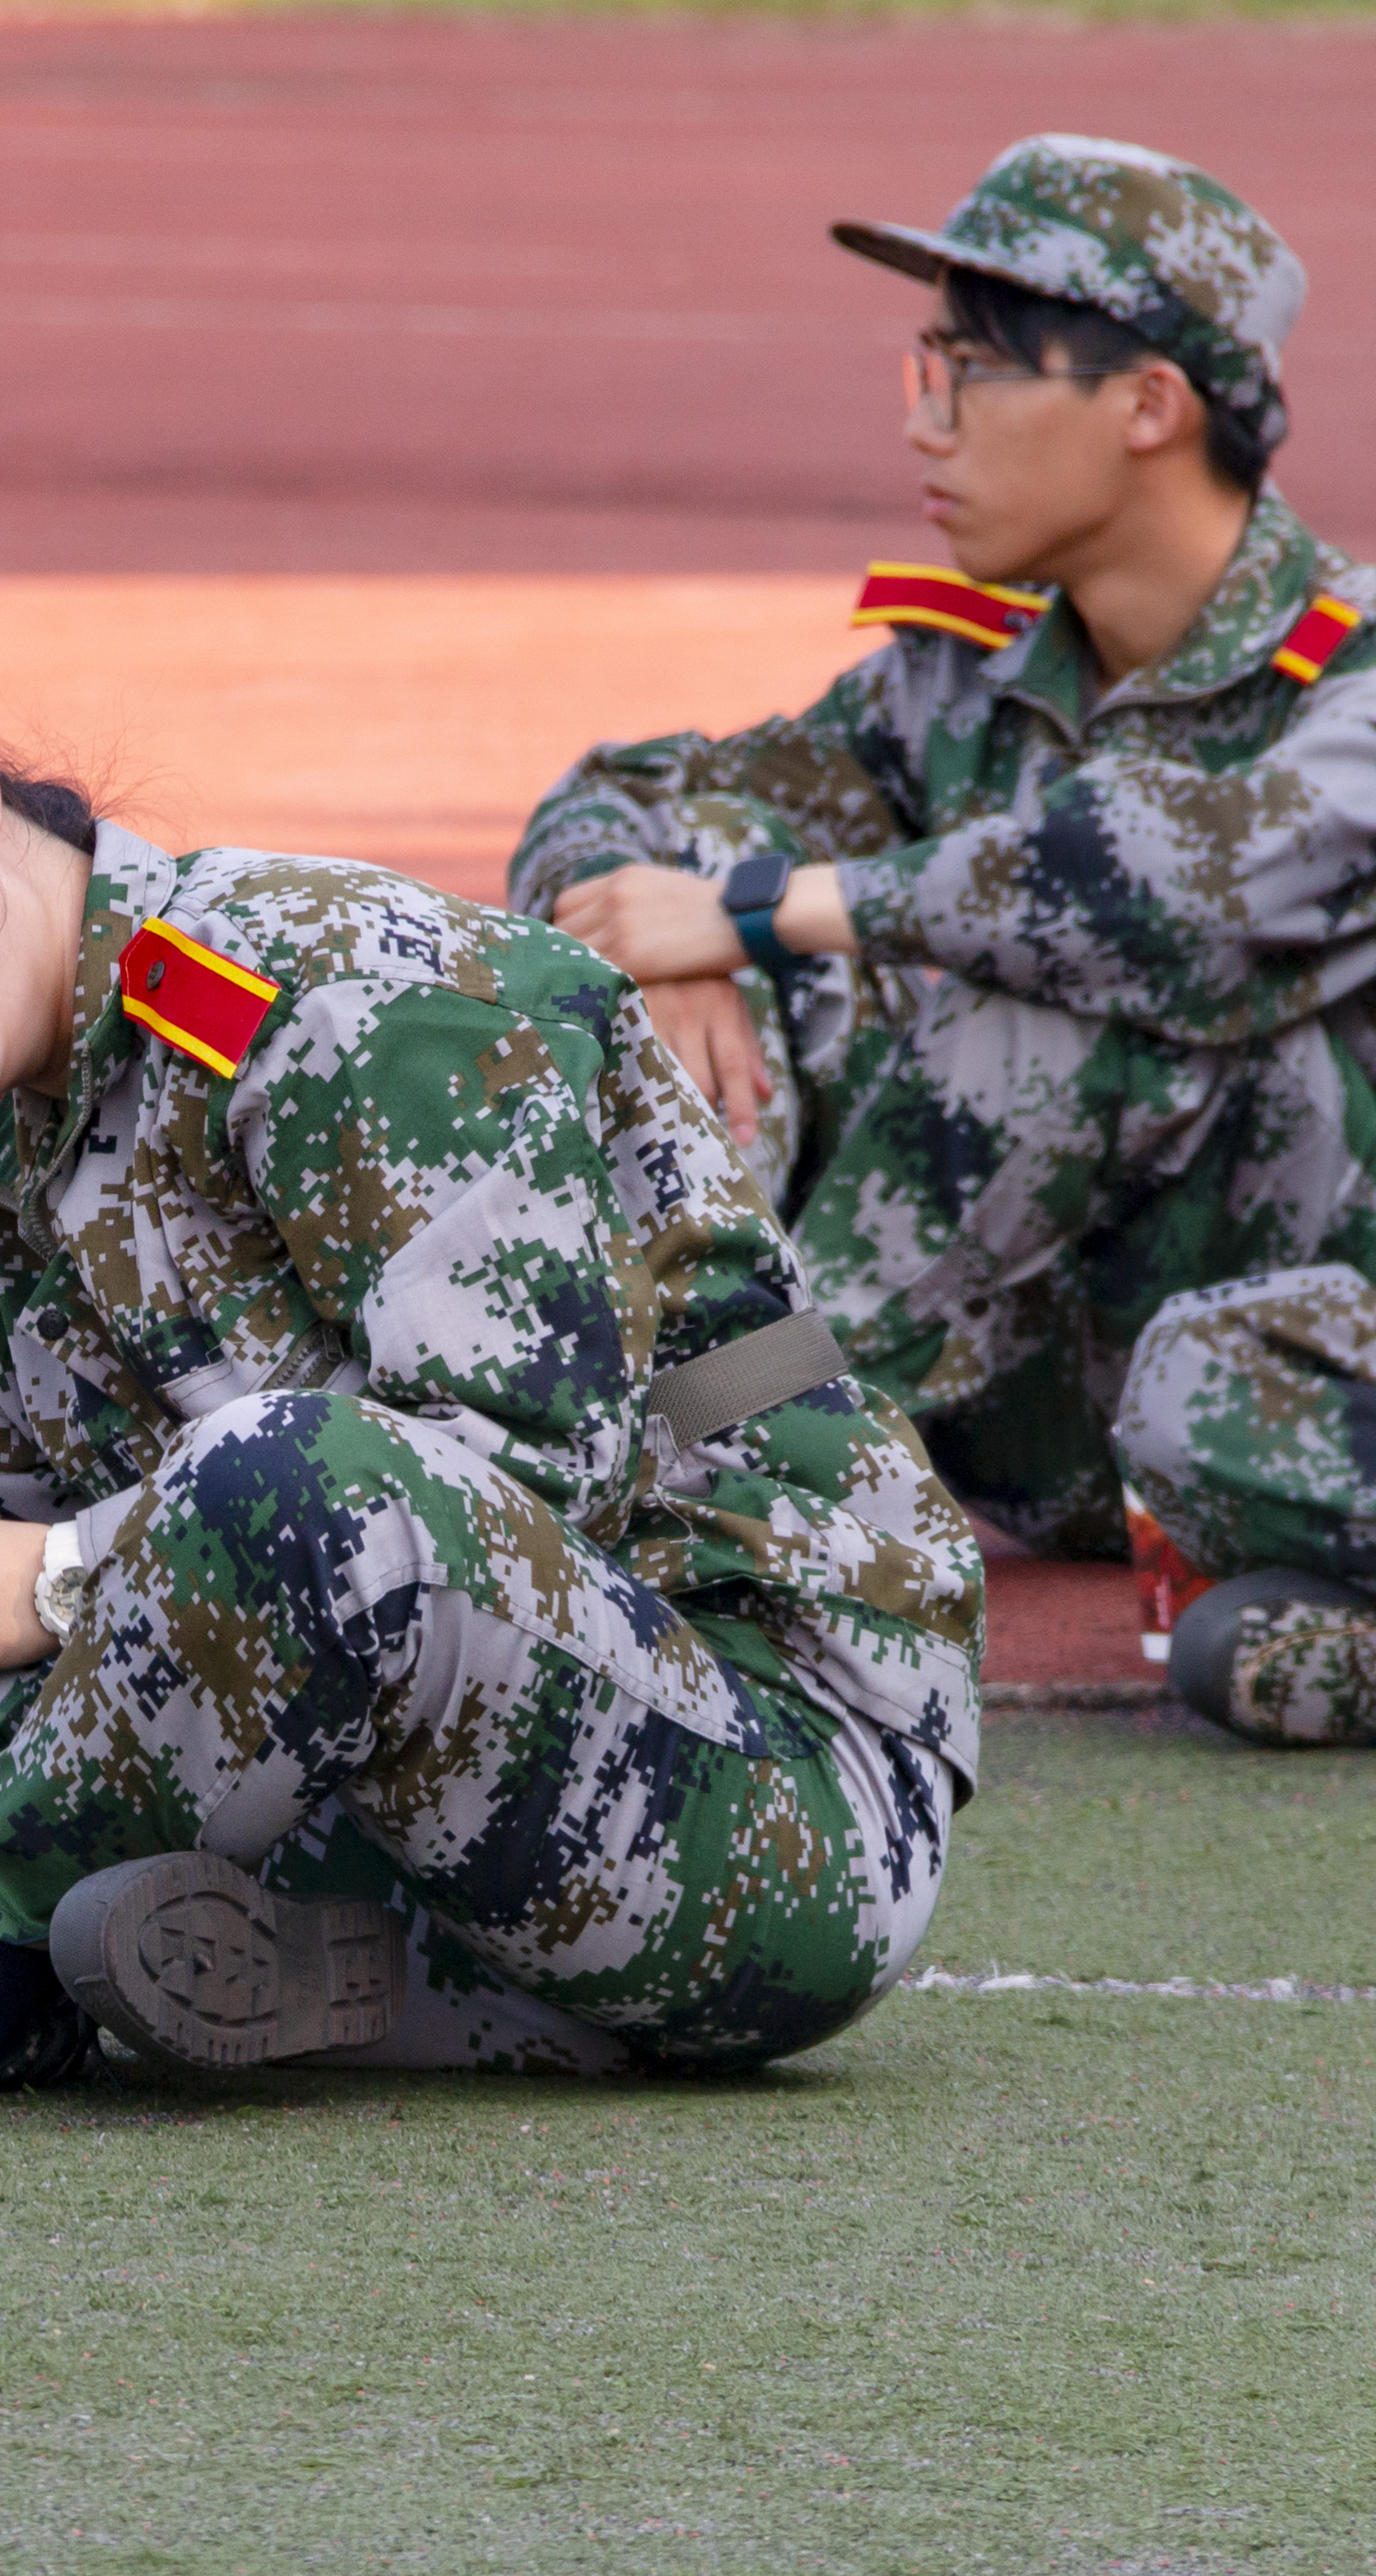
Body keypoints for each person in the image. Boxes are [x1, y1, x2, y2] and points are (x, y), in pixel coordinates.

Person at [0, 641, 982, 2090]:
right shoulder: (21, 1169)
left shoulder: (347, 1003)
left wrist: (65, 1574)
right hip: (422, 1783)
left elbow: (505, 1470)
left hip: (765, 1767)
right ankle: (352, 1976)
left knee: (289, 1478)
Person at [503, 136, 1376, 1743]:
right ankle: (629, 1410)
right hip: (1055, 1415)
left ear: (1145, 406)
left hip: (1295, 1384)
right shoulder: (963, 676)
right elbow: (616, 797)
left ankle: (690, 1441)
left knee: (1033, 995)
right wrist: (683, 944)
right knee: (699, 994)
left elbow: (1189, 882)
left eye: (965, 371)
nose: (921, 418)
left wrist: (774, 902)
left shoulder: (1351, 674)